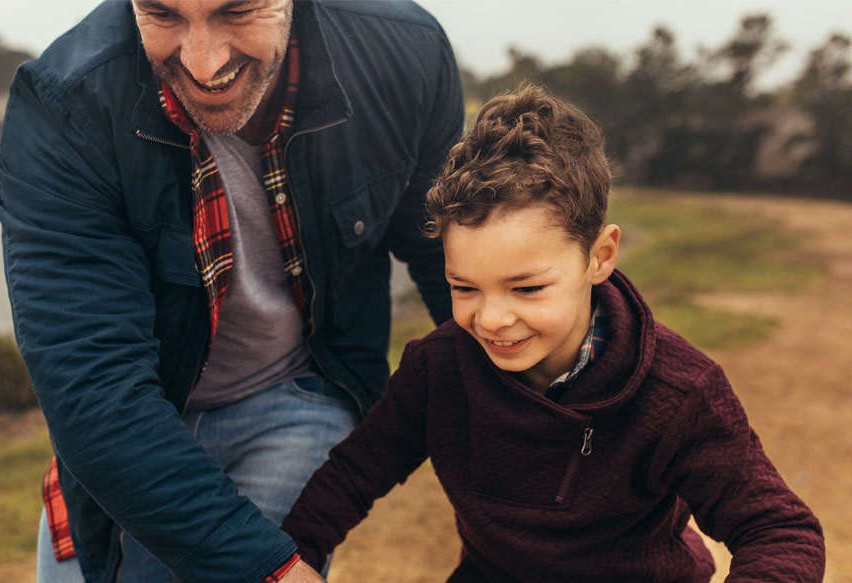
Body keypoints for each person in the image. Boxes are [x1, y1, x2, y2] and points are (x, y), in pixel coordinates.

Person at [0, 0, 463, 581]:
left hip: (299, 393)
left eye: (237, 11)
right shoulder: (61, 107)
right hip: (137, 414)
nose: (202, 61)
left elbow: (449, 262)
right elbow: (92, 382)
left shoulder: (406, 53)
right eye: (162, 15)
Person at [280, 85, 826, 582]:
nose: (490, 319)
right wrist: (288, 561)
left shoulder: (681, 392)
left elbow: (781, 533)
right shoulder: (437, 367)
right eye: (464, 288)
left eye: (527, 289)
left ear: (600, 256)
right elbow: (353, 474)